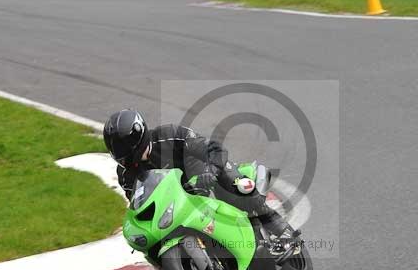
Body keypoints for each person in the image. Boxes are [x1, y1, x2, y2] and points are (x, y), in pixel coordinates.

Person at [103, 108, 294, 255]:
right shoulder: (125, 174)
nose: (123, 156)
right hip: (178, 204)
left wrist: (211, 171)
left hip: (205, 177)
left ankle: (284, 234)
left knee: (234, 186)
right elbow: (138, 203)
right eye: (117, 151)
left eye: (123, 148)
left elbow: (212, 148)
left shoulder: (169, 135)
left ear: (139, 137)